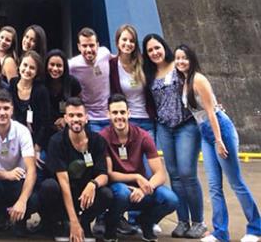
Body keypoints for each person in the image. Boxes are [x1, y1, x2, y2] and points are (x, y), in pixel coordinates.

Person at [175, 45, 261, 242]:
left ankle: (255, 228)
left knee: (235, 182)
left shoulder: (198, 79)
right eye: (178, 58)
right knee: (214, 186)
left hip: (220, 130)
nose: (181, 62)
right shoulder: (186, 80)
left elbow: (212, 112)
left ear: (192, 59)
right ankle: (220, 232)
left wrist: (219, 140)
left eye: (185, 58)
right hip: (205, 132)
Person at [142, 34, 205, 239]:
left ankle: (198, 222)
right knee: (175, 176)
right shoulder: (149, 74)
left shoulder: (178, 65)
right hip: (164, 128)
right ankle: (182, 221)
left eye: (157, 48)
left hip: (186, 125)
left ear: (164, 47)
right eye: (150, 50)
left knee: (187, 173)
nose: (155, 52)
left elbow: (198, 83)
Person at [101, 94, 178, 242]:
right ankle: (110, 227)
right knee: (122, 192)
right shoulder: (103, 137)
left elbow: (160, 174)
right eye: (115, 113)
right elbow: (109, 174)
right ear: (108, 114)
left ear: (129, 113)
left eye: (122, 112)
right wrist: (136, 177)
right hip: (117, 189)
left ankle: (146, 222)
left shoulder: (143, 136)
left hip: (141, 189)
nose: (119, 117)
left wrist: (144, 188)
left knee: (170, 199)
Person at [40, 97, 113, 242]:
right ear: (66, 119)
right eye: (71, 116)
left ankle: (84, 222)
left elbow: (104, 174)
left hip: (85, 193)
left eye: (79, 115)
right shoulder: (56, 141)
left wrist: (93, 184)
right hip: (63, 192)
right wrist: (73, 221)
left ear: (86, 118)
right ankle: (62, 222)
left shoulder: (97, 141)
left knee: (106, 194)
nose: (76, 119)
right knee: (48, 187)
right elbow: (64, 182)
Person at [0, 90, 40, 238]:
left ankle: (19, 221)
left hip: (17, 181)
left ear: (12, 109)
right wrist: (5, 174)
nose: (2, 113)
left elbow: (31, 169)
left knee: (33, 199)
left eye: (6, 108)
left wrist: (22, 201)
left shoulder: (22, 131)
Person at [110, 24, 155, 136]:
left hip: (147, 120)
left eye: (131, 41)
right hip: (127, 121)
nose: (128, 44)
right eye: (124, 39)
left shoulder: (144, 63)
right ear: (117, 42)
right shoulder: (112, 65)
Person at [9, 51, 51, 162]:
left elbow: (45, 123)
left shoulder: (41, 90)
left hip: (36, 141)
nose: (27, 70)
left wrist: (36, 148)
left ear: (37, 72)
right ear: (19, 66)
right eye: (25, 65)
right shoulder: (12, 84)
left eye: (32, 68)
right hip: (15, 139)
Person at [69, 27, 112, 133]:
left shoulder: (105, 53)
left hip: (110, 116)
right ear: (79, 47)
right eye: (84, 46)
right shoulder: (73, 65)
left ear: (97, 45)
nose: (88, 50)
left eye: (91, 45)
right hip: (90, 118)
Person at [45, 49, 81, 132]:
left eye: (59, 65)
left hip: (67, 127)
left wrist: (65, 119)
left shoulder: (73, 83)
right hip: (45, 129)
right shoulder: (41, 83)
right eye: (52, 64)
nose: (55, 69)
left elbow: (78, 106)